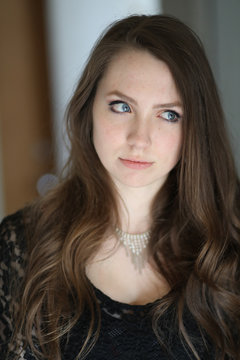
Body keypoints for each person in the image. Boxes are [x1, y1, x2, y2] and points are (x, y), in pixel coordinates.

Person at [1, 14, 240, 360]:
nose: (139, 139)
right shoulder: (20, 246)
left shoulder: (229, 247)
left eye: (169, 114)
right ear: (89, 111)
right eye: (122, 106)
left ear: (195, 129)